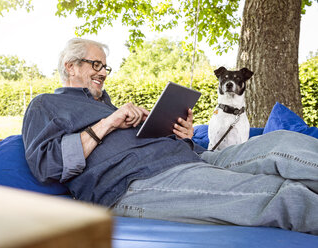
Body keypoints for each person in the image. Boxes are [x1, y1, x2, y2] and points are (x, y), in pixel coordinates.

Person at [22, 38, 318, 235]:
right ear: (70, 67)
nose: (103, 73)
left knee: (284, 144)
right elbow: (48, 166)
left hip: (195, 158)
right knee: (283, 196)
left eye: (105, 67)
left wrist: (183, 136)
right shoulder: (46, 105)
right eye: (95, 65)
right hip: (137, 184)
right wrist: (108, 124)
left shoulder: (106, 105)